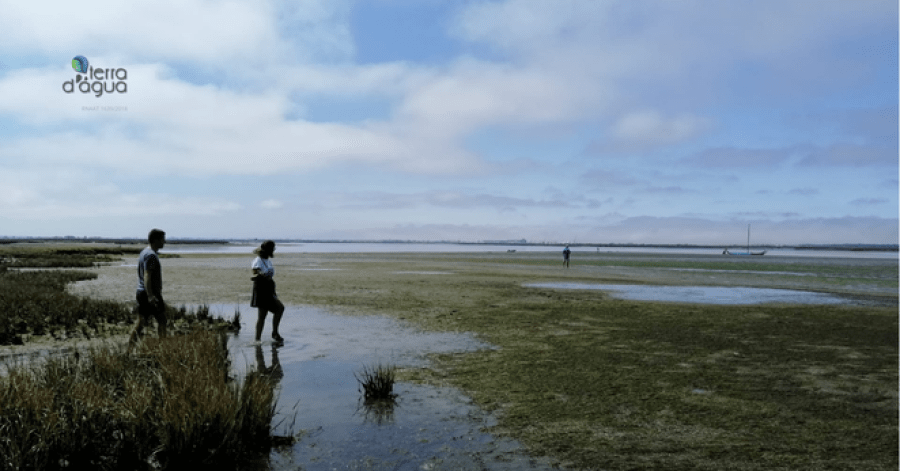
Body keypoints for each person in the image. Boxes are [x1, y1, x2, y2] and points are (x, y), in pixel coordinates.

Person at [129, 228, 167, 346]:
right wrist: (151, 295)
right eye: (162, 239)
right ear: (155, 240)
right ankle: (163, 347)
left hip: (142, 292)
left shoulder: (144, 252)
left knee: (141, 322)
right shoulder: (151, 255)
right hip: (149, 294)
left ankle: (129, 348)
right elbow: (147, 275)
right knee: (162, 320)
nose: (164, 242)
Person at [251, 240, 285, 343]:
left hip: (269, 290)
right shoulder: (258, 261)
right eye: (272, 249)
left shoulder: (268, 261)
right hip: (261, 290)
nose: (273, 251)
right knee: (262, 316)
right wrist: (260, 275)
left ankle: (275, 333)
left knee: (280, 308)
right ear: (266, 250)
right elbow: (254, 273)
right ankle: (257, 340)